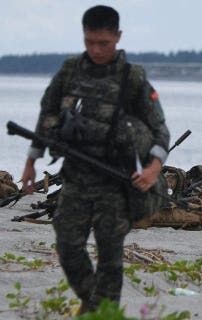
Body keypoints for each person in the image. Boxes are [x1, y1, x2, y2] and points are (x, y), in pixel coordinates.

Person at [19, 5, 170, 313]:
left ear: (117, 36)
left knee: (110, 256)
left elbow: (159, 129)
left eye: (104, 43)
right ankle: (97, 307)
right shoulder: (70, 70)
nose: (96, 50)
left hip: (114, 182)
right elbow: (47, 113)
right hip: (75, 177)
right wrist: (32, 160)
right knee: (68, 247)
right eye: (89, 42)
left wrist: (154, 168)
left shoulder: (132, 77)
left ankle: (102, 315)